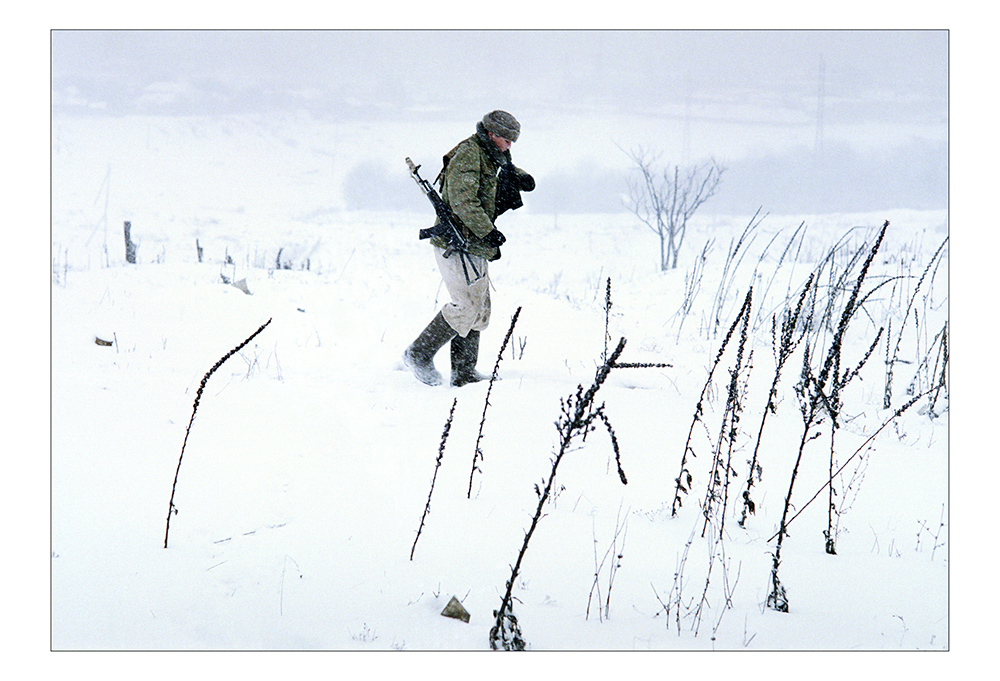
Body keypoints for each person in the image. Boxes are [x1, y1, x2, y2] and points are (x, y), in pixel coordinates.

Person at [403, 110, 535, 387]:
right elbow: (464, 202)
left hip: (473, 242)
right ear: (491, 134)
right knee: (466, 306)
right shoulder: (468, 154)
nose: (510, 146)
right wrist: (488, 231)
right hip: (456, 243)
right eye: (507, 140)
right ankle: (418, 353)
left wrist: (520, 177)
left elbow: (498, 171)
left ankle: (464, 373)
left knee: (480, 310)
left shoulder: (490, 153)